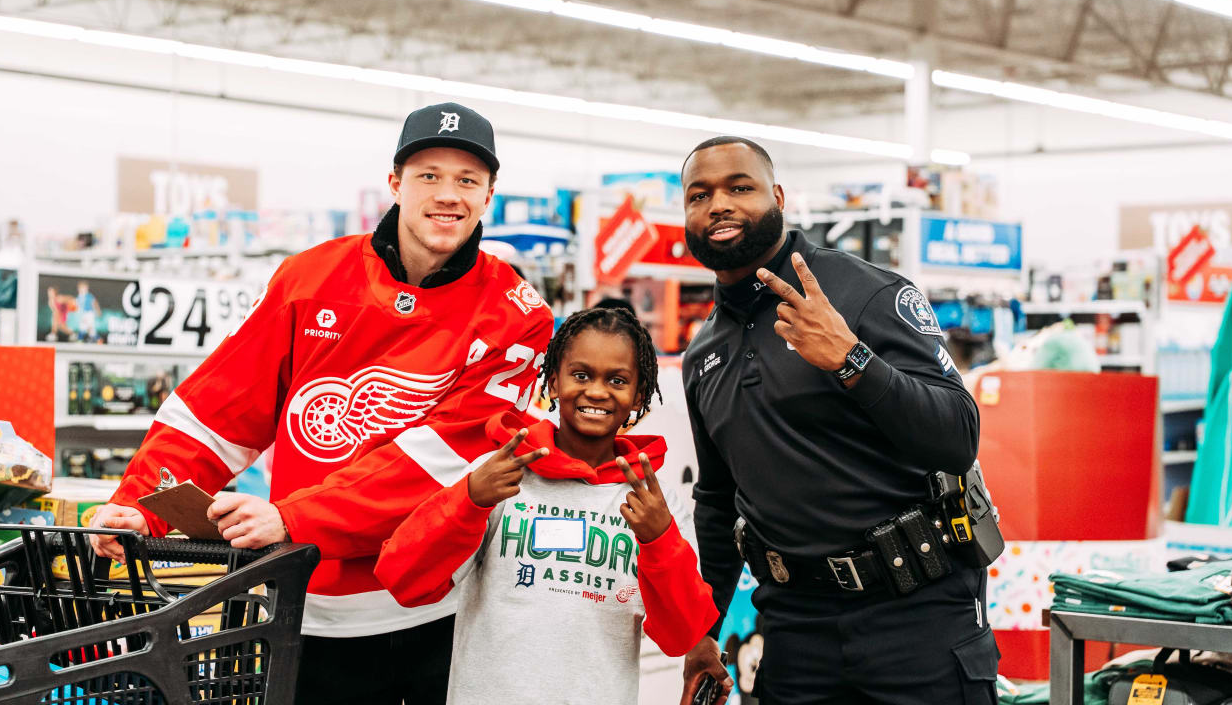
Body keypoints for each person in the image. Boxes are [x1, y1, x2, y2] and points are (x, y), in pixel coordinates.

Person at [87, 101, 555, 704]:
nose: (449, 195)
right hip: (302, 606)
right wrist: (139, 506)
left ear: (490, 193)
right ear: (395, 184)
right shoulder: (309, 279)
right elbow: (214, 411)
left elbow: (442, 462)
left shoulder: (515, 317)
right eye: (429, 176)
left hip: (436, 611)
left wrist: (294, 517)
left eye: (468, 180)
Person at [677, 136, 996, 705]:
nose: (718, 204)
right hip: (795, 630)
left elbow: (957, 437)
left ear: (777, 196)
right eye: (699, 195)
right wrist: (704, 629)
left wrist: (853, 361)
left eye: (739, 188)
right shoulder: (705, 354)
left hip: (917, 616)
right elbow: (719, 501)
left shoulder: (866, 294)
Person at [375, 307, 719, 705]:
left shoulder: (655, 504)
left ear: (639, 394)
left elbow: (680, 635)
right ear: (553, 381)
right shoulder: (498, 474)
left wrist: (659, 541)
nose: (596, 391)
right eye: (581, 374)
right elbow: (403, 580)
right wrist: (468, 500)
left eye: (618, 380)